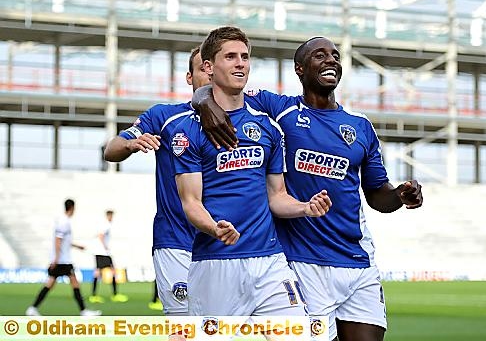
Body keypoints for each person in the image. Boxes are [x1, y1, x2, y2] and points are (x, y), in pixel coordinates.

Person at [193, 36, 423, 341]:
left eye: (336, 56)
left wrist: (399, 195)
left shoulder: (361, 126)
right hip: (304, 263)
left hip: (357, 261)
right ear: (299, 69)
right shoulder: (279, 109)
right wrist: (205, 104)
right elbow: (220, 90)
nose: (331, 60)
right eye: (320, 55)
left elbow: (378, 194)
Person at [172, 26, 332, 317]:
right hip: (216, 263)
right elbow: (190, 203)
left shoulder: (269, 128)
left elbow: (277, 196)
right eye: (230, 56)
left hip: (270, 263)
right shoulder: (187, 130)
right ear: (208, 67)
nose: (240, 63)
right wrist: (214, 228)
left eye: (244, 57)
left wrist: (305, 207)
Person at [103, 47, 210, 316]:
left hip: (221, 244)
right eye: (202, 69)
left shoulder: (244, 122)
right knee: (184, 328)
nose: (209, 75)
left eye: (213, 68)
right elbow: (112, 148)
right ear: (189, 77)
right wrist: (130, 145)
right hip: (175, 241)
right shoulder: (164, 116)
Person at [26, 199, 102, 316]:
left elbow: (64, 241)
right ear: (72, 208)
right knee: (74, 283)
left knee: (50, 284)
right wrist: (56, 259)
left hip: (62, 260)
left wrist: (77, 246)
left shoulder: (62, 221)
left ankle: (33, 308)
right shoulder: (64, 222)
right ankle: (83, 311)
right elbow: (58, 240)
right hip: (63, 261)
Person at [89, 210, 128, 303]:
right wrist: (105, 247)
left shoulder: (103, 224)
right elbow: (100, 235)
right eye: (111, 216)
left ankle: (94, 295)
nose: (112, 218)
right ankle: (113, 294)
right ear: (109, 216)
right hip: (103, 252)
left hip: (100, 252)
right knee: (108, 271)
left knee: (99, 272)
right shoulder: (106, 224)